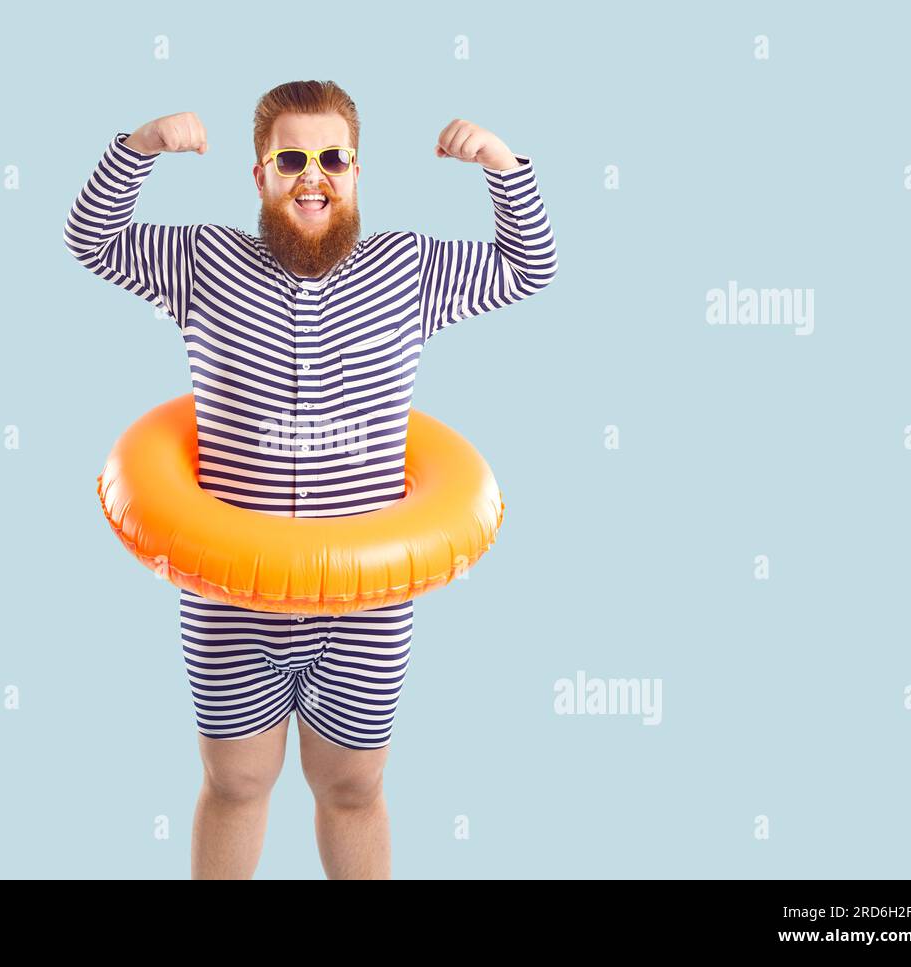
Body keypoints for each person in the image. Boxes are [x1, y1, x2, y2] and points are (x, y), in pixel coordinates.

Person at [64, 80, 557, 879]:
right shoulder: (202, 262)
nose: (312, 173)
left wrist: (503, 165)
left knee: (354, 788)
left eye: (333, 157)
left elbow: (529, 266)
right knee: (236, 784)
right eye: (290, 157)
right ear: (259, 175)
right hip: (229, 599)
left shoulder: (411, 268)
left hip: (364, 605)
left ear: (357, 173)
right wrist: (141, 146)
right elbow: (92, 239)